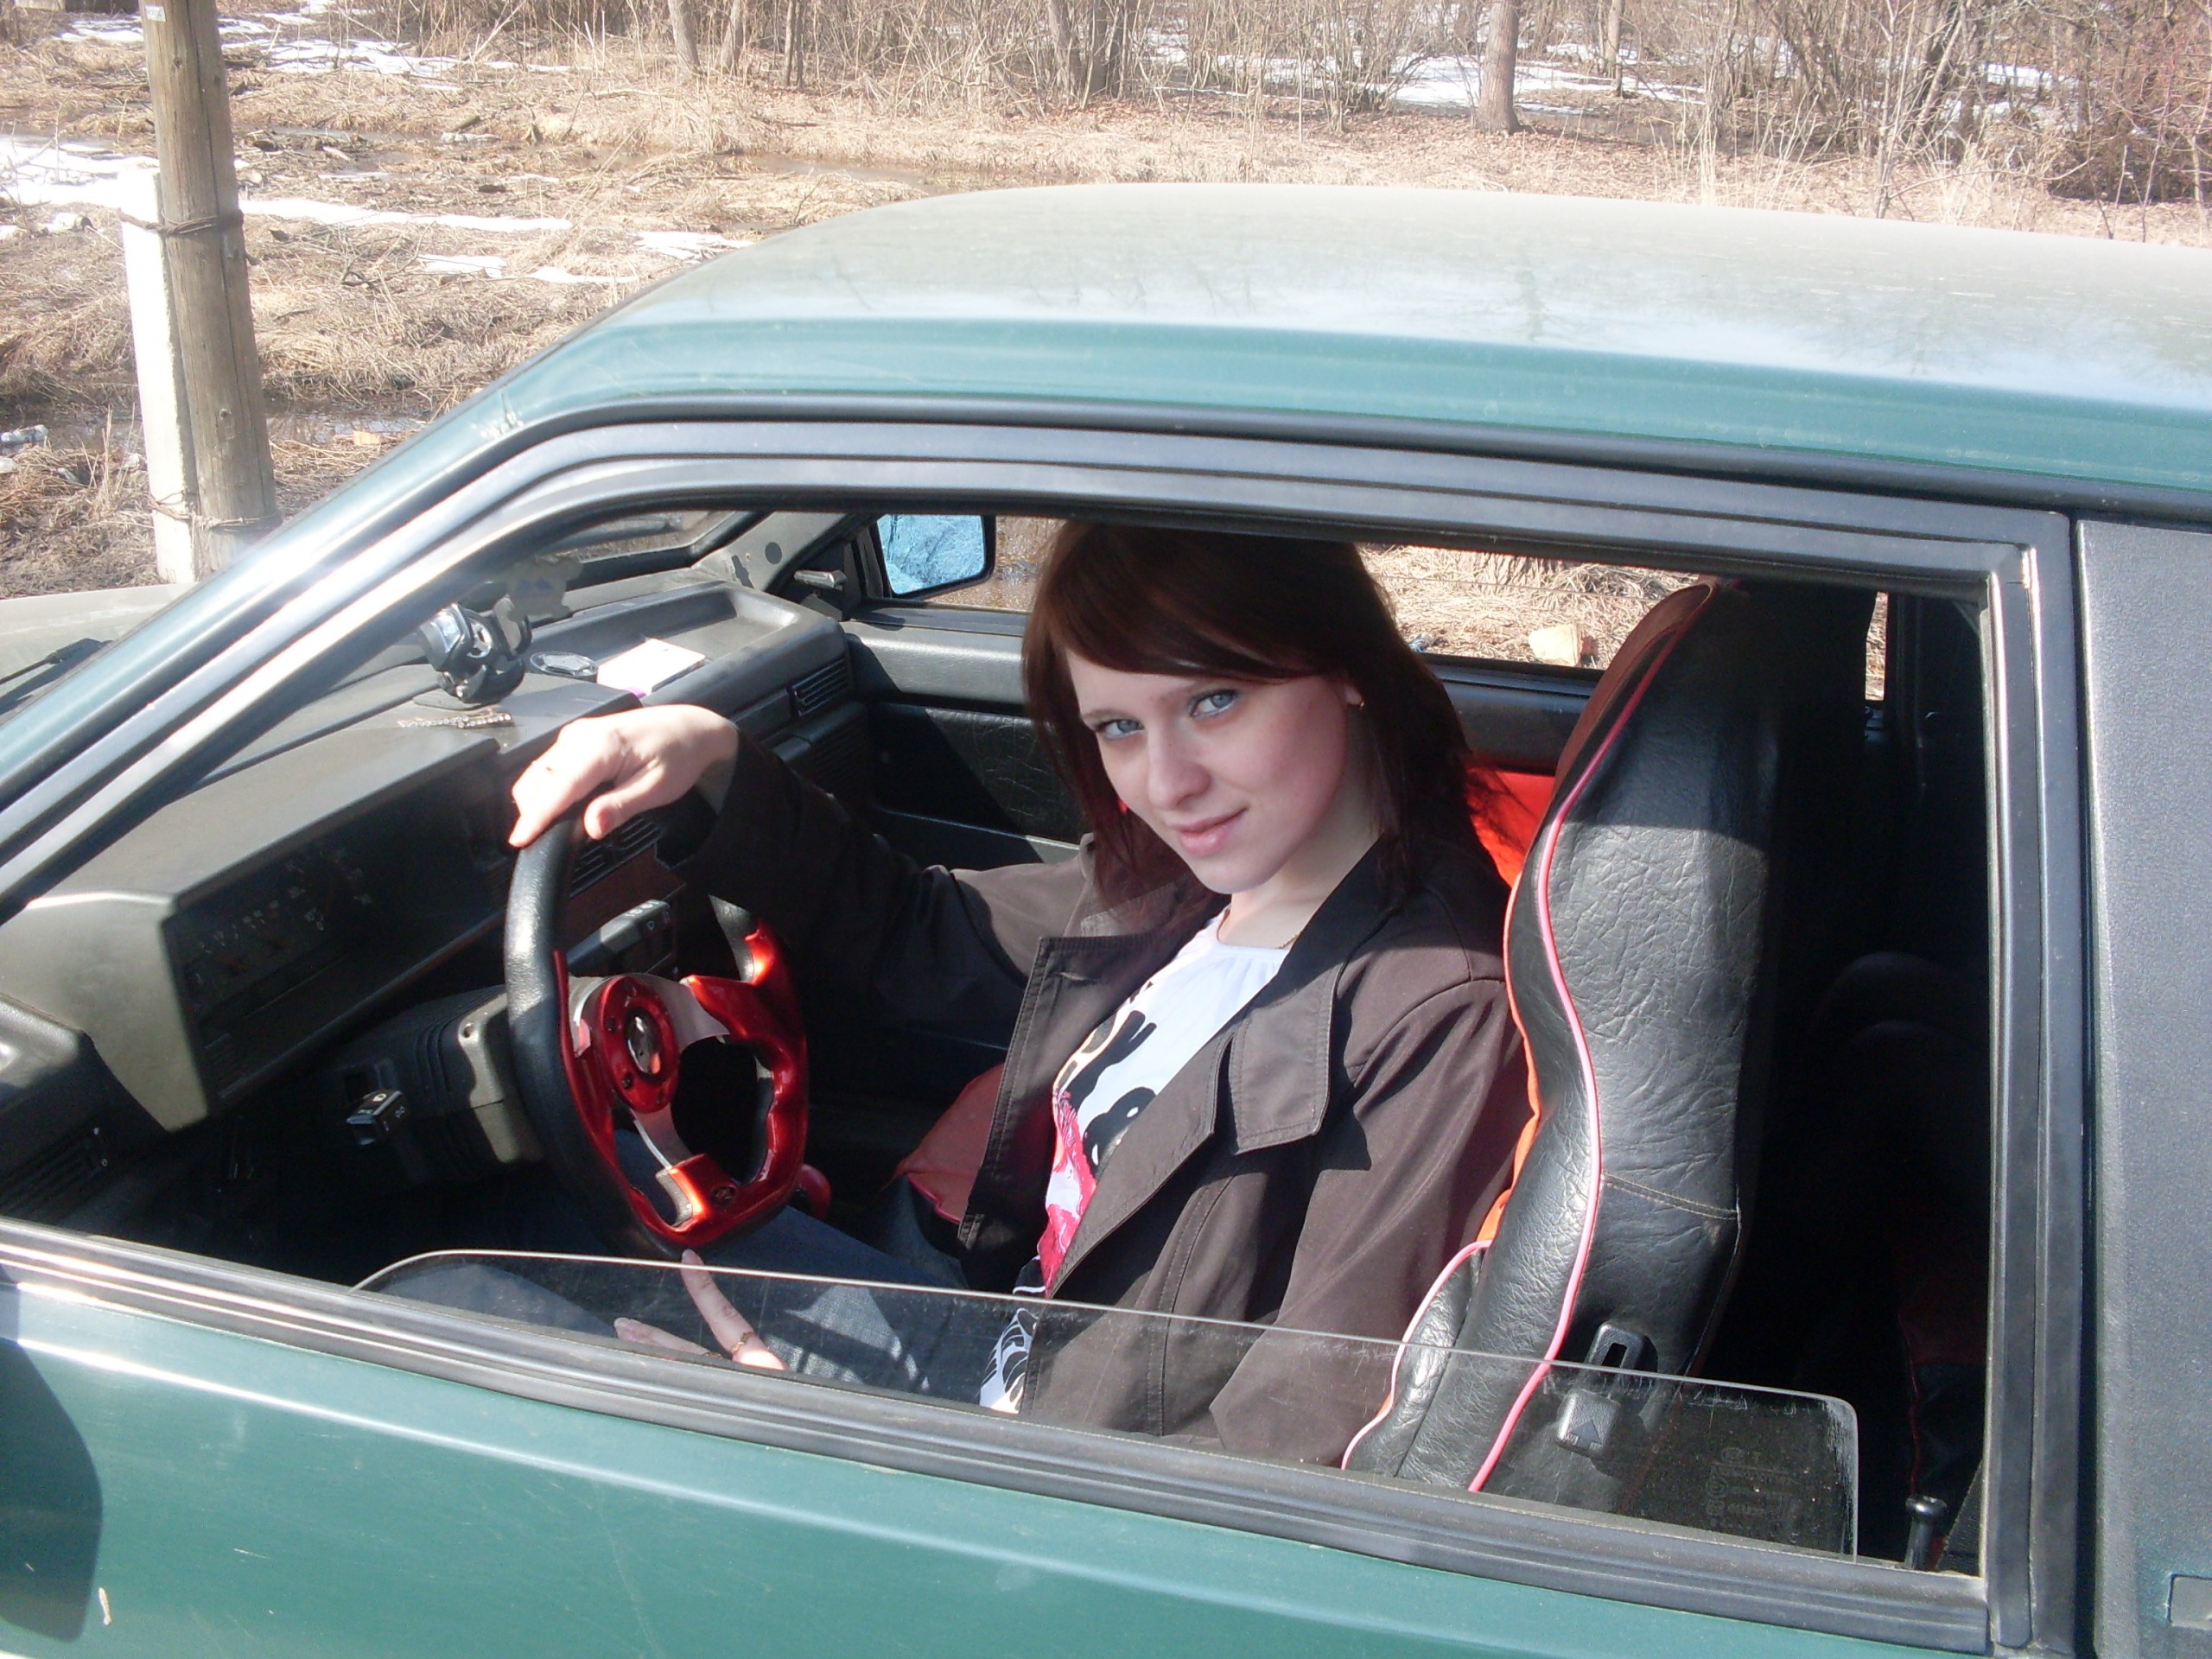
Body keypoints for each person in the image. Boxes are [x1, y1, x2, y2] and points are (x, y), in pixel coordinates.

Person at [501, 521, 1530, 1465]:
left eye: (1213, 700)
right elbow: (925, 934)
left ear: (1346, 669)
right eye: (1118, 727)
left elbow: (1290, 1448)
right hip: (1011, 1371)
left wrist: (839, 1463)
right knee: (551, 1203)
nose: (1166, 783)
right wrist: (711, 760)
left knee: (463, 1310)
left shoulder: (1436, 1015)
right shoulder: (1208, 874)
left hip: (1043, 1484)